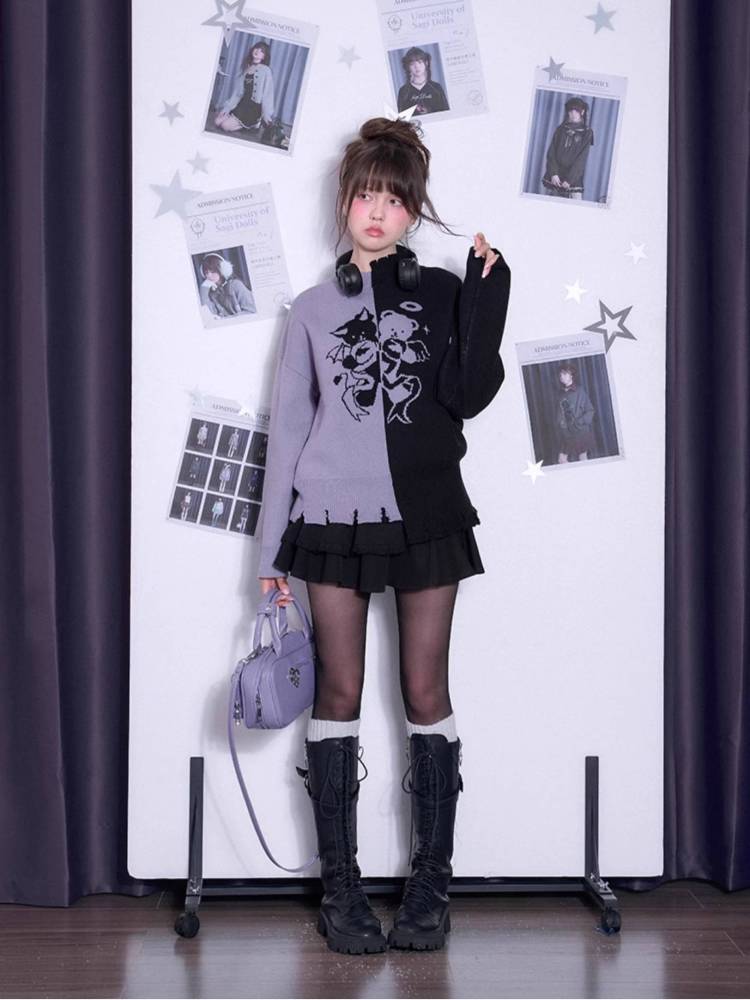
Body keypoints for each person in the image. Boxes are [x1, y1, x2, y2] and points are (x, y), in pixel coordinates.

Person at [257, 116, 511, 955]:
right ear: (345, 202)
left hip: (428, 512)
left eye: (394, 200)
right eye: (365, 195)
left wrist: (488, 294)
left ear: (413, 211)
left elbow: (468, 394)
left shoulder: (439, 292)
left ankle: (431, 888)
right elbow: (289, 434)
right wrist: (271, 555)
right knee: (337, 694)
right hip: (329, 523)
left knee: (425, 692)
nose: (376, 212)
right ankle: (342, 890)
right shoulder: (309, 310)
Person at [214, 41, 275, 134]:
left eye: (262, 51)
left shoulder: (266, 71)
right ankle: (241, 123)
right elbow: (237, 93)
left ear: (264, 56)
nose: (257, 51)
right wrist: (227, 108)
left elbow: (268, 94)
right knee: (217, 121)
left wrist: (266, 115)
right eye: (256, 48)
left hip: (253, 109)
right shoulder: (246, 68)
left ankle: (254, 123)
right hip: (242, 104)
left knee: (225, 126)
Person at [542, 96, 594, 199]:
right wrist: (553, 174)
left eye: (576, 111)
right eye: (571, 111)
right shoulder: (560, 129)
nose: (573, 114)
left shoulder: (587, 133)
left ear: (582, 112)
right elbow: (551, 153)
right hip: (556, 178)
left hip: (573, 179)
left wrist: (570, 179)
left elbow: (581, 159)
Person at [554, 361, 595, 461]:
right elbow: (560, 414)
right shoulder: (560, 393)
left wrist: (579, 422)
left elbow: (590, 410)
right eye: (560, 374)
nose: (561, 376)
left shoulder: (580, 391)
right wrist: (561, 425)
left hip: (580, 432)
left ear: (571, 375)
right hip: (566, 433)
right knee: (562, 460)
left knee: (582, 458)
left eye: (564, 374)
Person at [396, 47, 449, 116]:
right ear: (408, 67)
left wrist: (429, 110)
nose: (417, 67)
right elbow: (401, 117)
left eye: (420, 62)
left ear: (426, 63)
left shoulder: (436, 87)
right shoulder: (403, 91)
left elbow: (446, 113)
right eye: (412, 64)